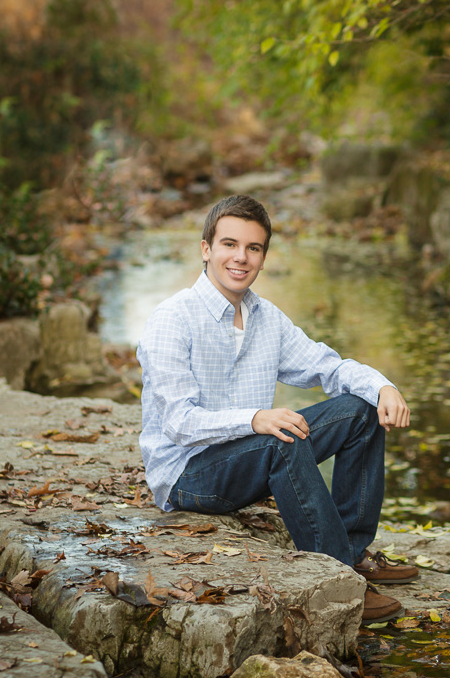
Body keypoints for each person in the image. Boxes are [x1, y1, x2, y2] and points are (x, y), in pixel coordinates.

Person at [136, 194, 417, 624]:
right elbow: (179, 423)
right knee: (279, 438)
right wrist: (255, 419)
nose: (241, 257)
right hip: (187, 475)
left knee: (360, 410)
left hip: (247, 460)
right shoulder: (172, 319)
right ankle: (335, 580)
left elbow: (328, 366)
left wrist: (383, 386)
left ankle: (352, 553)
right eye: (229, 244)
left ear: (263, 258)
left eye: (253, 248)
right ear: (206, 249)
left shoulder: (266, 319)